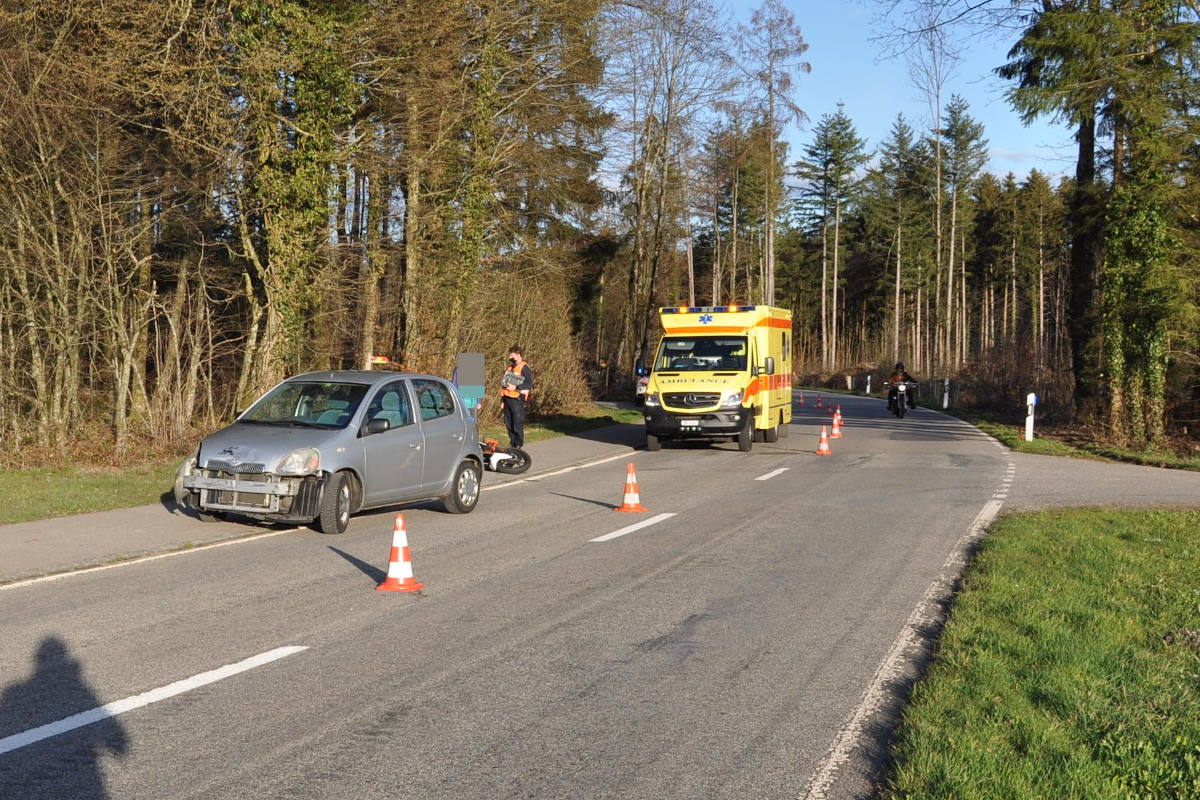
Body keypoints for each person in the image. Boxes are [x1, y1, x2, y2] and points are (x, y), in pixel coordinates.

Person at [499, 345, 533, 448]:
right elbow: (504, 385)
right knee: (509, 423)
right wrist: (502, 400)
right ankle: (512, 443)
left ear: (518, 355)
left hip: (517, 400)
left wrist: (516, 387)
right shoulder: (510, 367)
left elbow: (529, 383)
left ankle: (518, 444)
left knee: (517, 423)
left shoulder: (524, 367)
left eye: (512, 355)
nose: (510, 357)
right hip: (507, 399)